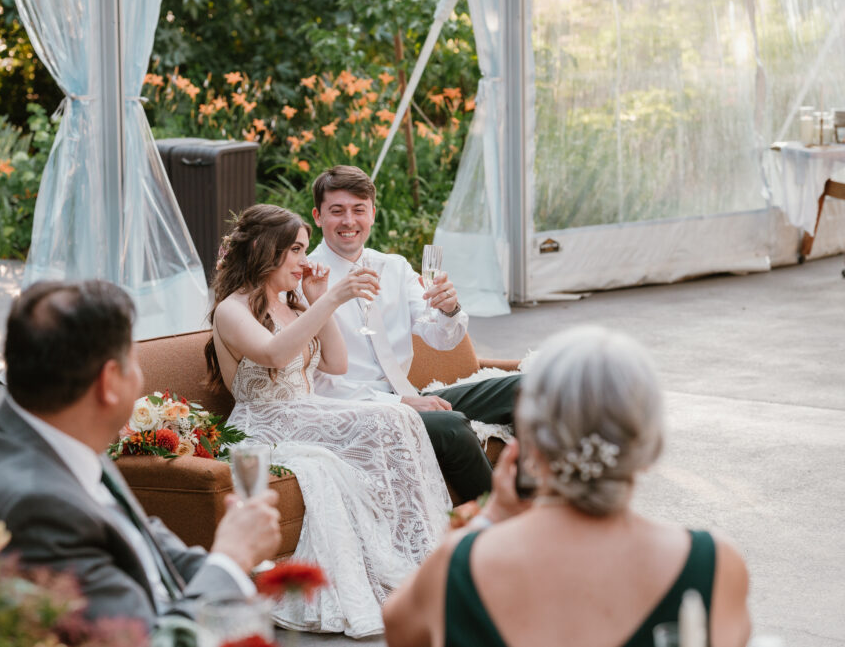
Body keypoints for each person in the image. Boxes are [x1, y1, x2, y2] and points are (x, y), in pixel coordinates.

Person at [0, 280, 281, 630]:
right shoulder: (37, 508)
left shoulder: (58, 434)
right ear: (108, 382)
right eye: (134, 362)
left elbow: (144, 544)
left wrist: (229, 562)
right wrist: (230, 560)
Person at [382, 325, 752, 647]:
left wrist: (488, 519)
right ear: (649, 449)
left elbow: (399, 630)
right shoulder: (714, 564)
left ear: (529, 449)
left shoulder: (460, 564)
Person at [206, 204, 452, 637]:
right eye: (296, 251)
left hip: (304, 410)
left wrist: (319, 301)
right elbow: (274, 354)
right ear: (268, 250)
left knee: (398, 417)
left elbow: (335, 363)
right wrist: (338, 297)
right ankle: (406, 563)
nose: (305, 261)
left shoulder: (292, 303)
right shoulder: (233, 309)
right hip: (264, 421)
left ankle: (422, 556)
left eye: (303, 250)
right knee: (385, 421)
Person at [307, 165, 522, 502]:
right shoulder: (306, 280)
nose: (349, 221)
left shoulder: (394, 267)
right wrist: (400, 402)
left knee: (527, 387)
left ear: (373, 214)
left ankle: (544, 499)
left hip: (409, 394)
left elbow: (438, 337)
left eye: (358, 210)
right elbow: (317, 382)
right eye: (337, 211)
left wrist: (448, 309)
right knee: (453, 426)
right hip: (360, 411)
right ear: (318, 217)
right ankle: (498, 531)